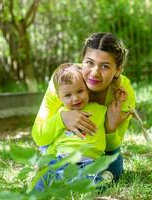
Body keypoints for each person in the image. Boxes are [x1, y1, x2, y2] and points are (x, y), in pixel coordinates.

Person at [32, 32, 135, 181]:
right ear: (82, 61)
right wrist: (62, 119)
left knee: (115, 170)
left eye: (105, 66)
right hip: (61, 146)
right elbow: (39, 137)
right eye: (89, 62)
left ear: (118, 70)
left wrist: (110, 130)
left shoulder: (123, 93)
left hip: (95, 150)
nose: (95, 73)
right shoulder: (64, 81)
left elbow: (111, 148)